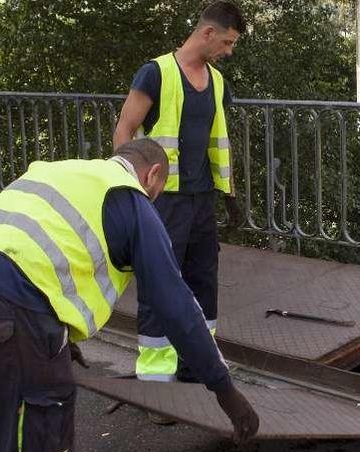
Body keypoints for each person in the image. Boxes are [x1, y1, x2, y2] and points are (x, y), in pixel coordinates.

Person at [0, 138, 259, 452]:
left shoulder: (57, 171)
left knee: (12, 451)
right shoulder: (131, 198)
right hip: (5, 310)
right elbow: (175, 305)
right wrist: (224, 391)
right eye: (160, 189)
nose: (157, 199)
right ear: (153, 174)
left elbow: (36, 253)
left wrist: (54, 336)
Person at [113, 1, 245, 385]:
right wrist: (128, 189)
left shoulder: (217, 83)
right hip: (162, 199)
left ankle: (199, 366)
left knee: (203, 279)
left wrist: (229, 194)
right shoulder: (156, 73)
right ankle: (155, 377)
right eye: (227, 42)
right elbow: (124, 130)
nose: (228, 51)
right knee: (160, 281)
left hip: (202, 198)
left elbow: (215, 139)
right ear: (207, 33)